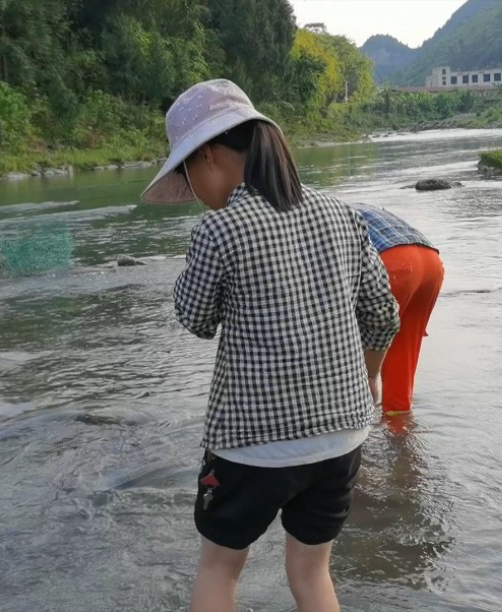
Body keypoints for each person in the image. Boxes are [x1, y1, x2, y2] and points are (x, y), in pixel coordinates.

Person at [141, 79, 400, 612]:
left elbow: (194, 318)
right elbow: (382, 314)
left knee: (220, 567)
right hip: (341, 437)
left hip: (252, 444)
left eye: (189, 175)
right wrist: (369, 378)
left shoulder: (221, 229)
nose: (194, 193)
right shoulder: (342, 214)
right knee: (311, 573)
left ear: (209, 156)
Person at [352, 204, 444, 416]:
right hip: (431, 262)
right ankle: (400, 429)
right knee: (403, 352)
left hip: (393, 263)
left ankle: (362, 432)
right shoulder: (358, 206)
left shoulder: (322, 213)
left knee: (361, 357)